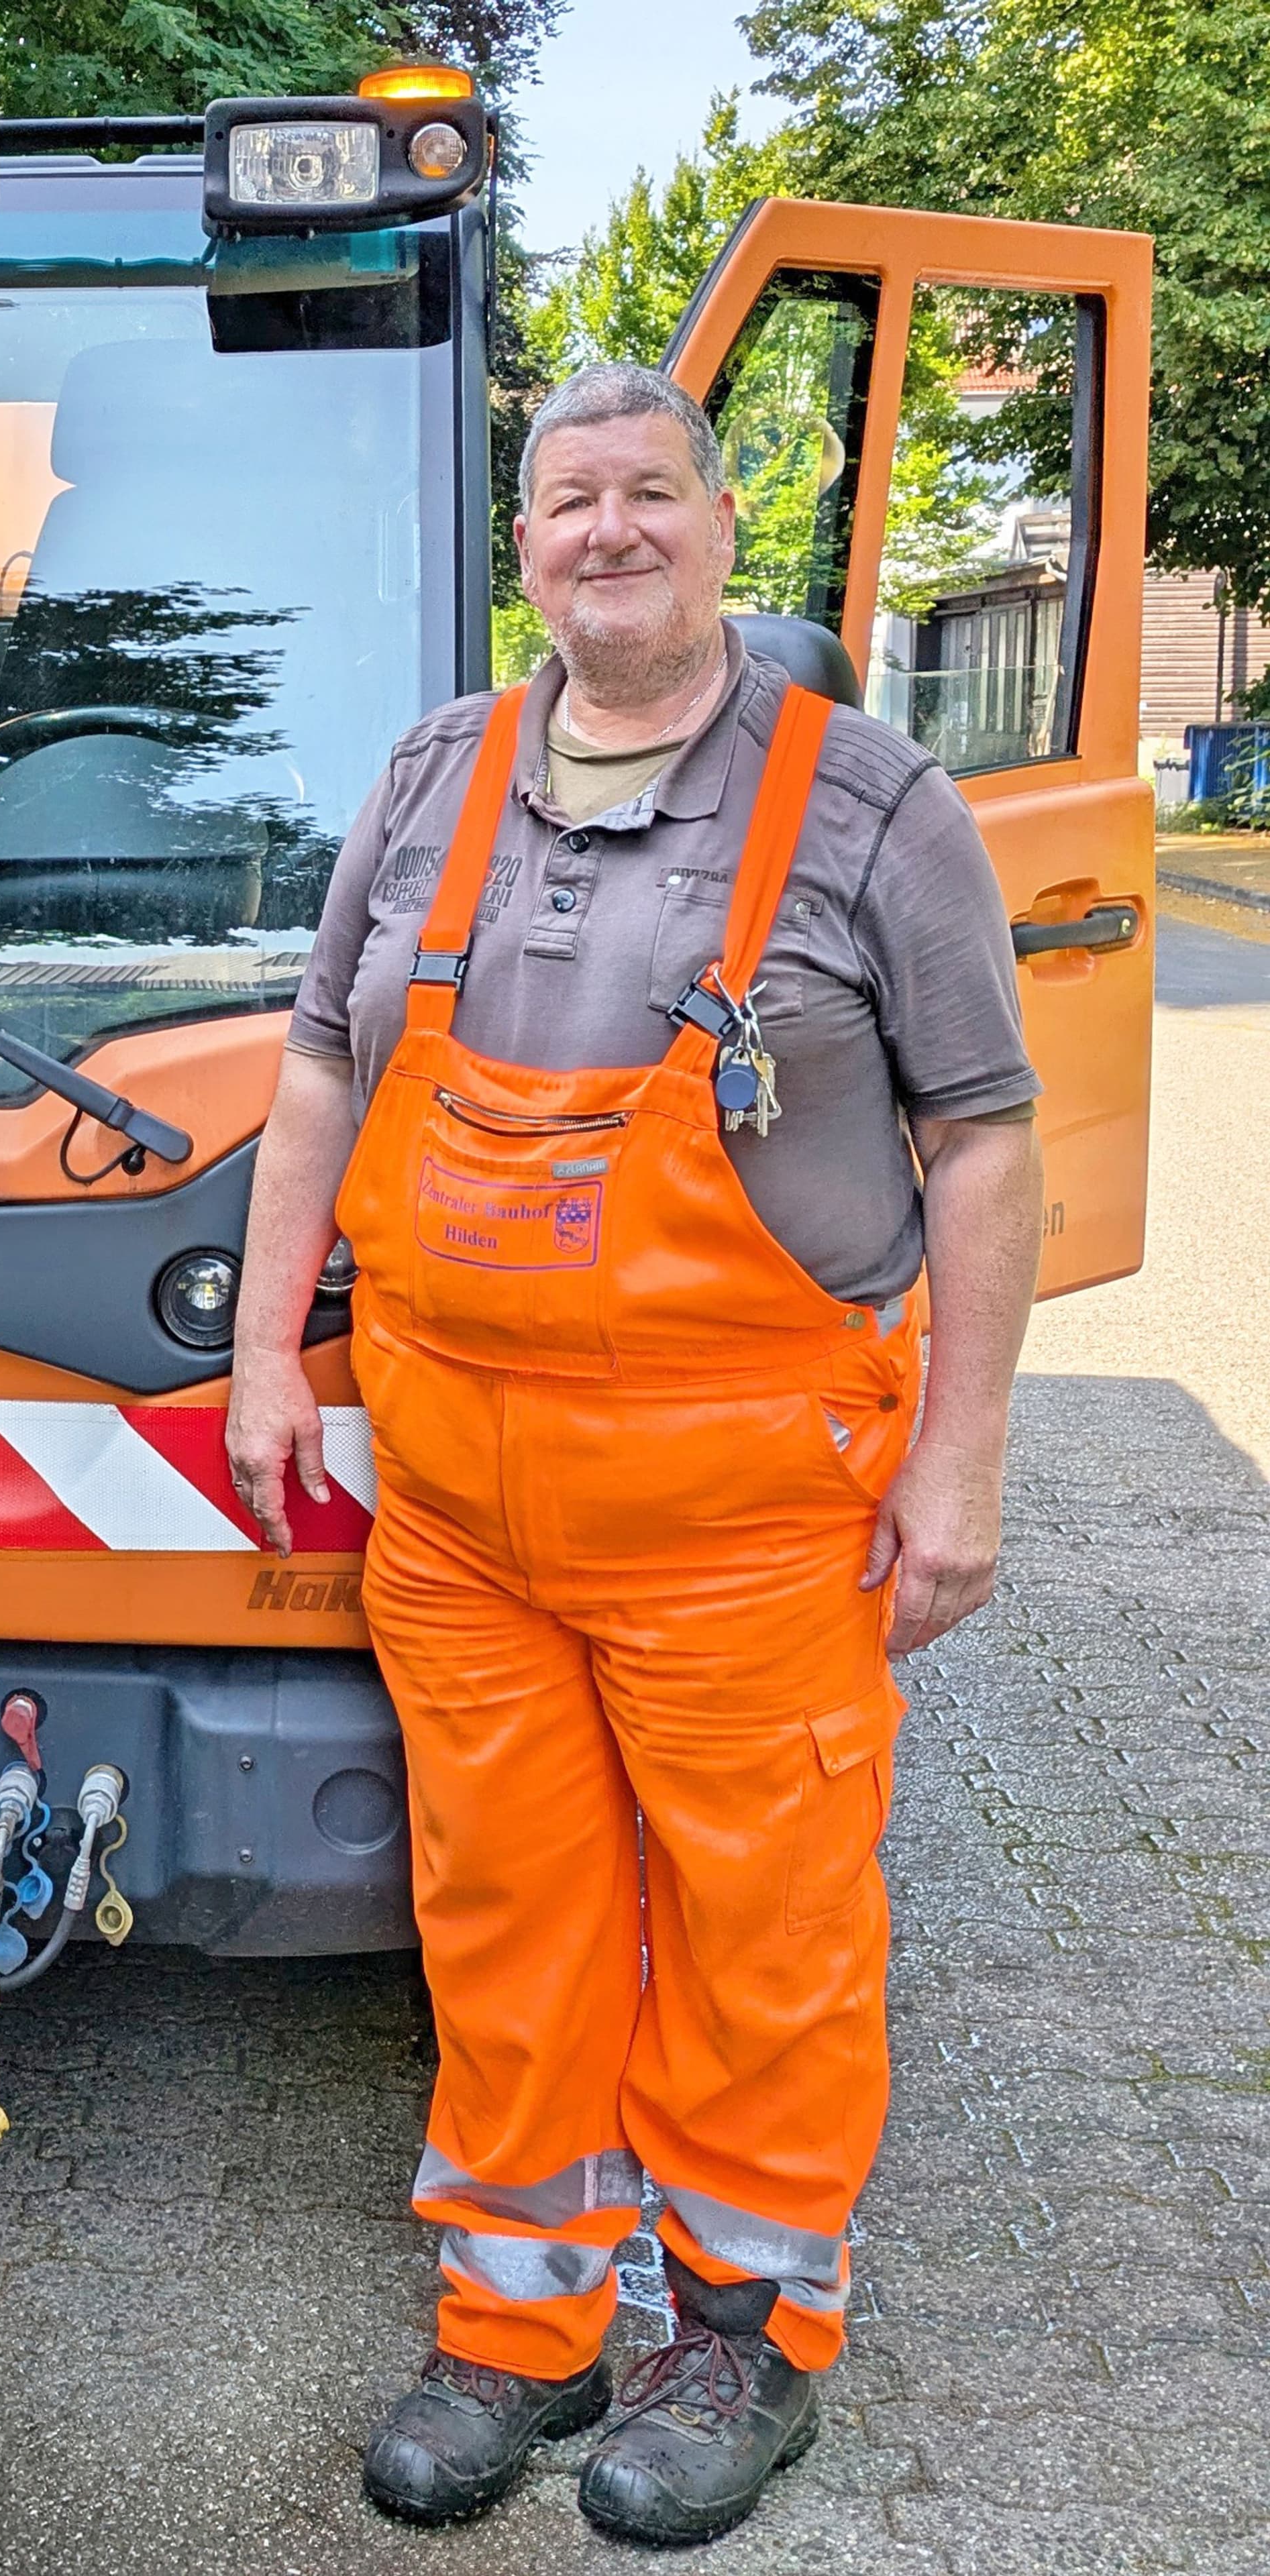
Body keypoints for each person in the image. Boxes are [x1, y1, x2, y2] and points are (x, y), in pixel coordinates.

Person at [227, 362, 1043, 2546]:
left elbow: (983, 1144)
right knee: (503, 1918)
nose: (609, 530)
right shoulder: (435, 775)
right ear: (525, 545)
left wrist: (959, 1467)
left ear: (720, 521)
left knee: (760, 1935)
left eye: (649, 493)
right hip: (462, 1517)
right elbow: (318, 1075)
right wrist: (270, 1356)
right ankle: (522, 2332)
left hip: (751, 1519)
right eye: (569, 499)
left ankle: (745, 2342)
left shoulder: (871, 805)